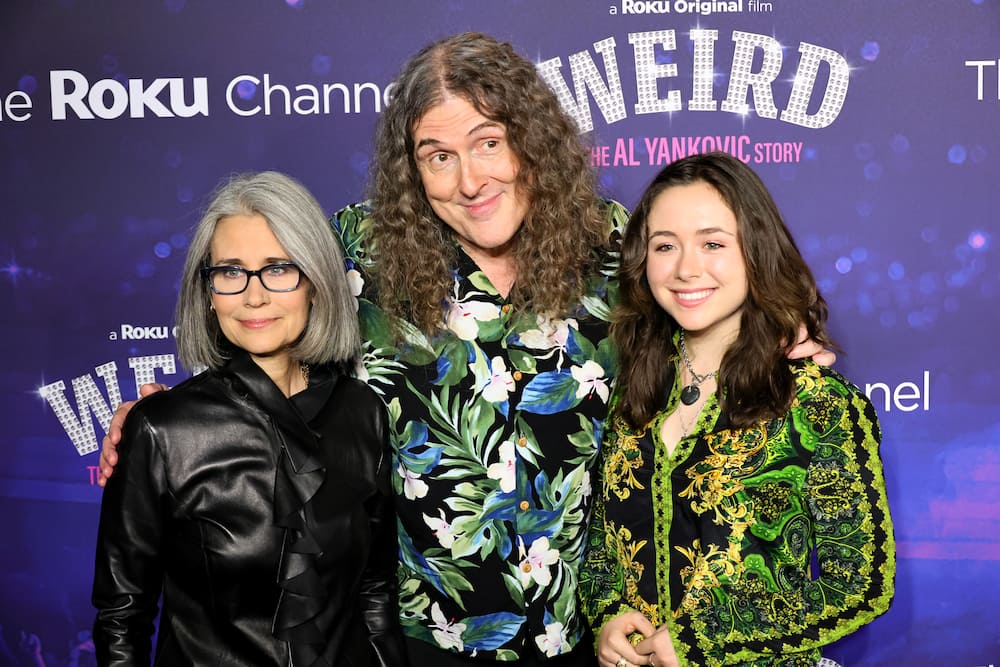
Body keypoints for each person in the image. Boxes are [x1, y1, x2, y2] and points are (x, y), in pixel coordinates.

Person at [98, 34, 830, 666]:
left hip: (583, 635)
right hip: (420, 639)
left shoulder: (615, 245)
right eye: (437, 155)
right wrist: (168, 414)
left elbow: (706, 305)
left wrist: (781, 334)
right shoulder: (360, 250)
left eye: (489, 141)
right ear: (411, 169)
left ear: (532, 137)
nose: (471, 180)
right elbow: (261, 309)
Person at [578, 153, 895, 667]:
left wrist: (704, 639)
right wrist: (609, 615)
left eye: (712, 244)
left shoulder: (817, 402)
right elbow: (600, 550)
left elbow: (861, 584)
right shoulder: (631, 390)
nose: (686, 268)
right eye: (665, 246)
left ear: (756, 251)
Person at [91, 172, 407, 666]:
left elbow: (375, 595)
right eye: (231, 272)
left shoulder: (362, 413)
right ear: (209, 291)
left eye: (278, 268)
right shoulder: (163, 429)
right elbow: (122, 618)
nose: (253, 295)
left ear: (316, 282)